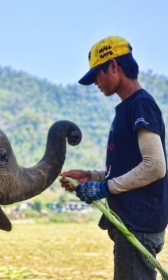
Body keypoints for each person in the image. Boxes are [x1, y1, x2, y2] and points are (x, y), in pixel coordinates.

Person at [60, 35, 168, 280]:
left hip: (136, 226)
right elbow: (134, 164)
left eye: (98, 73)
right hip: (133, 224)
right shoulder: (129, 107)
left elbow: (155, 166)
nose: (96, 82)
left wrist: (104, 188)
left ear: (114, 66)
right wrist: (92, 176)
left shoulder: (140, 105)